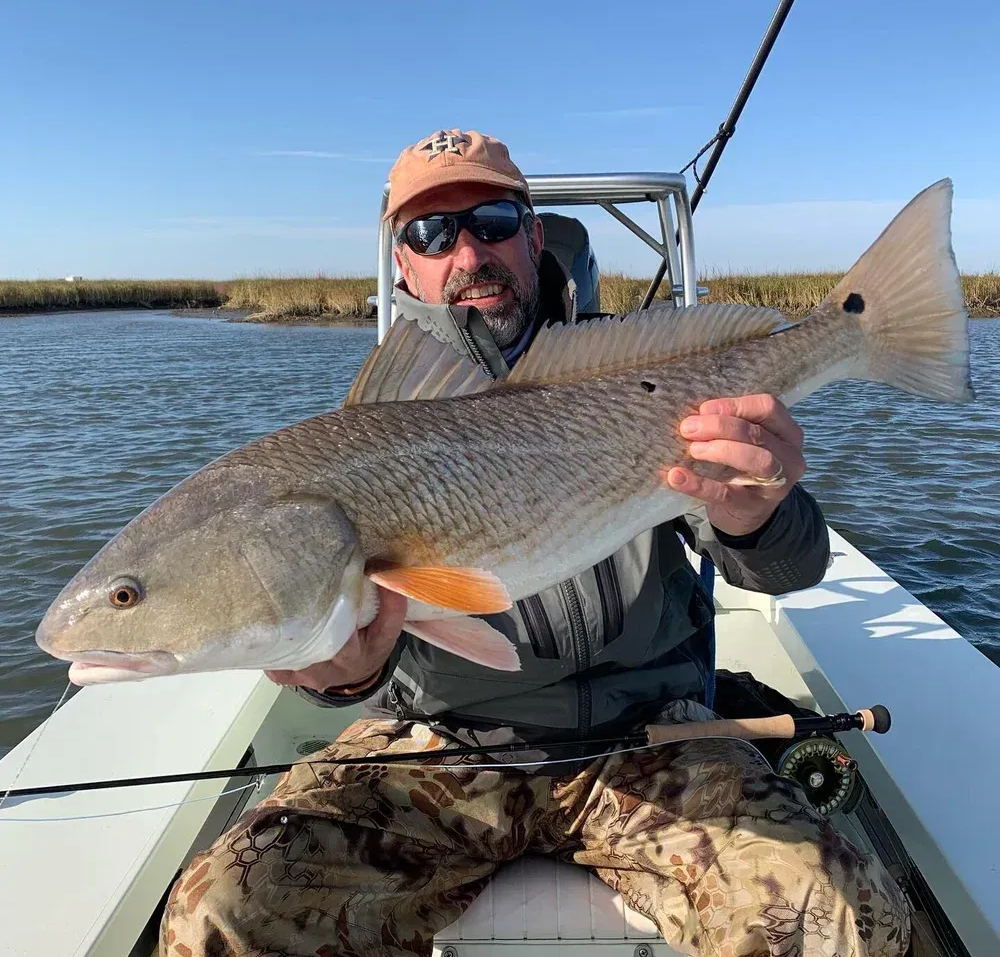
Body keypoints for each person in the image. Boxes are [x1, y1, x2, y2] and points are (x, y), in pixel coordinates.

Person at [160, 130, 910, 957]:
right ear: (402, 264)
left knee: (846, 919)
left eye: (490, 220)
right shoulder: (359, 433)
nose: (467, 251)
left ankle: (867, 324)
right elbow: (359, 654)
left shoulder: (642, 378)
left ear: (535, 236)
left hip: (649, 737)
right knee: (219, 915)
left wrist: (754, 514)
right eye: (431, 233)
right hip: (441, 747)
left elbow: (793, 568)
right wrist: (346, 678)